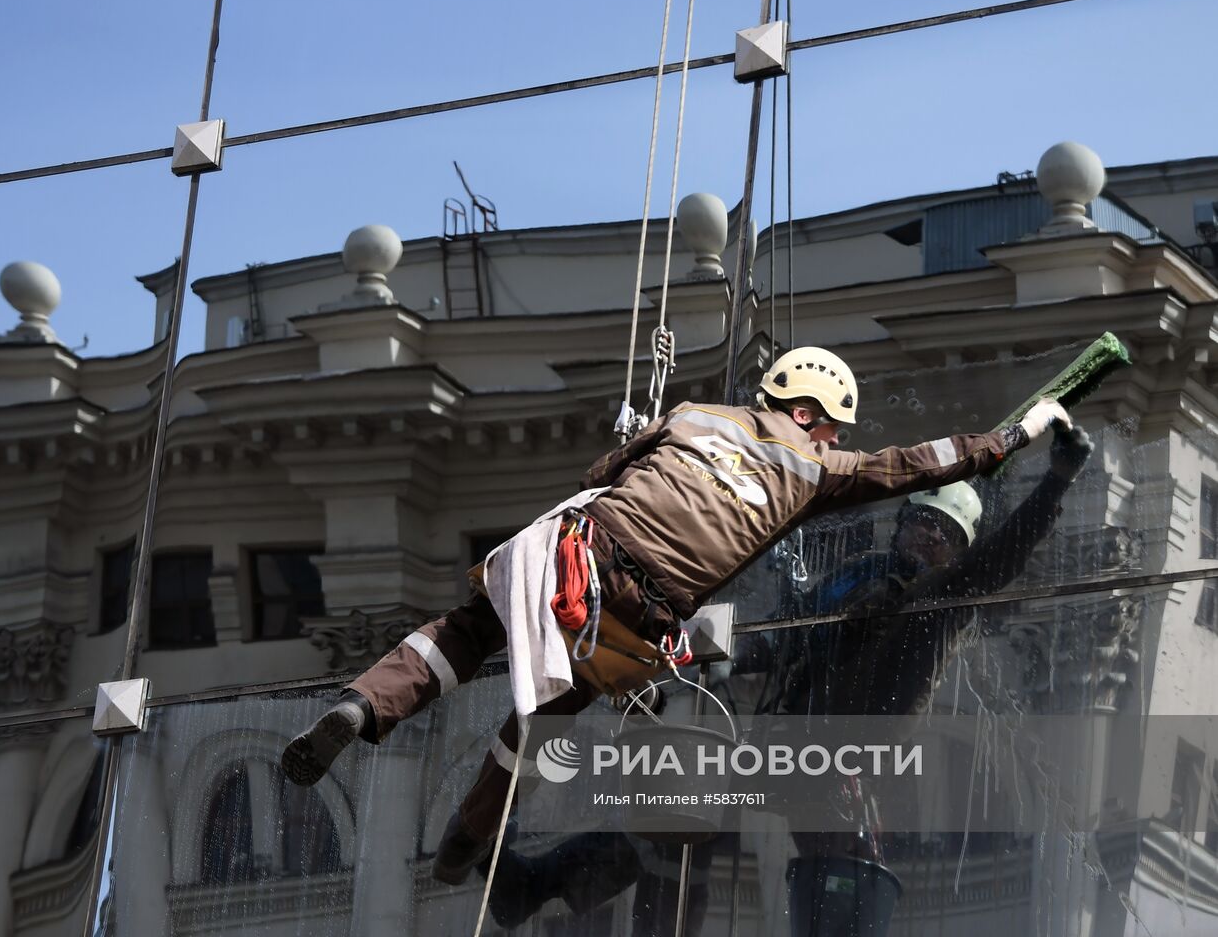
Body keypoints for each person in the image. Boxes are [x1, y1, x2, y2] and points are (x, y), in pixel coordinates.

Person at [282, 345, 1073, 884]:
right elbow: (917, 464)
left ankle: (362, 704)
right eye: (830, 423)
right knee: (553, 709)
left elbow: (607, 472)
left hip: (580, 548)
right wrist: (1016, 434)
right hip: (646, 611)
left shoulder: (694, 414)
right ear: (810, 413)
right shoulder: (819, 467)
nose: (833, 437)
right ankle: (470, 834)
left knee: (468, 630)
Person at [476, 423, 1094, 932]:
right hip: (795, 742)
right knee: (680, 817)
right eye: (919, 521)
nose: (925, 535)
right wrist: (681, 654)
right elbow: (781, 635)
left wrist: (1055, 481)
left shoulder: (941, 601)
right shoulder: (859, 576)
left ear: (957, 552)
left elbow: (1000, 559)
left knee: (836, 854)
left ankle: (543, 885)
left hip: (850, 755)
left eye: (943, 533)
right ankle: (538, 885)